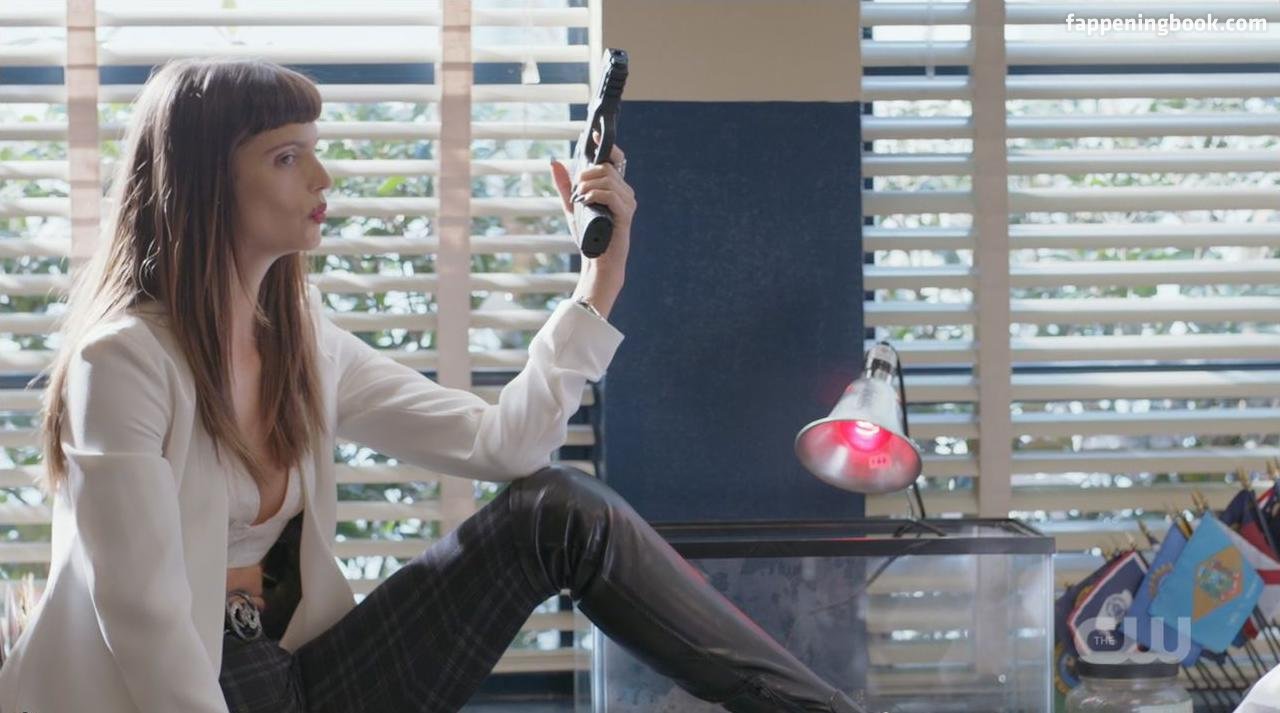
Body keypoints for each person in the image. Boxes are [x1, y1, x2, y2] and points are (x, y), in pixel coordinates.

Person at [0, 57, 865, 713]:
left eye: (315, 153)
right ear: (202, 185)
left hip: (293, 674)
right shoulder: (123, 363)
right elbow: (147, 624)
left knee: (556, 510)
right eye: (287, 158)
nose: (322, 180)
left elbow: (504, 444)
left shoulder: (303, 344)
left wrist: (596, 282)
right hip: (170, 693)